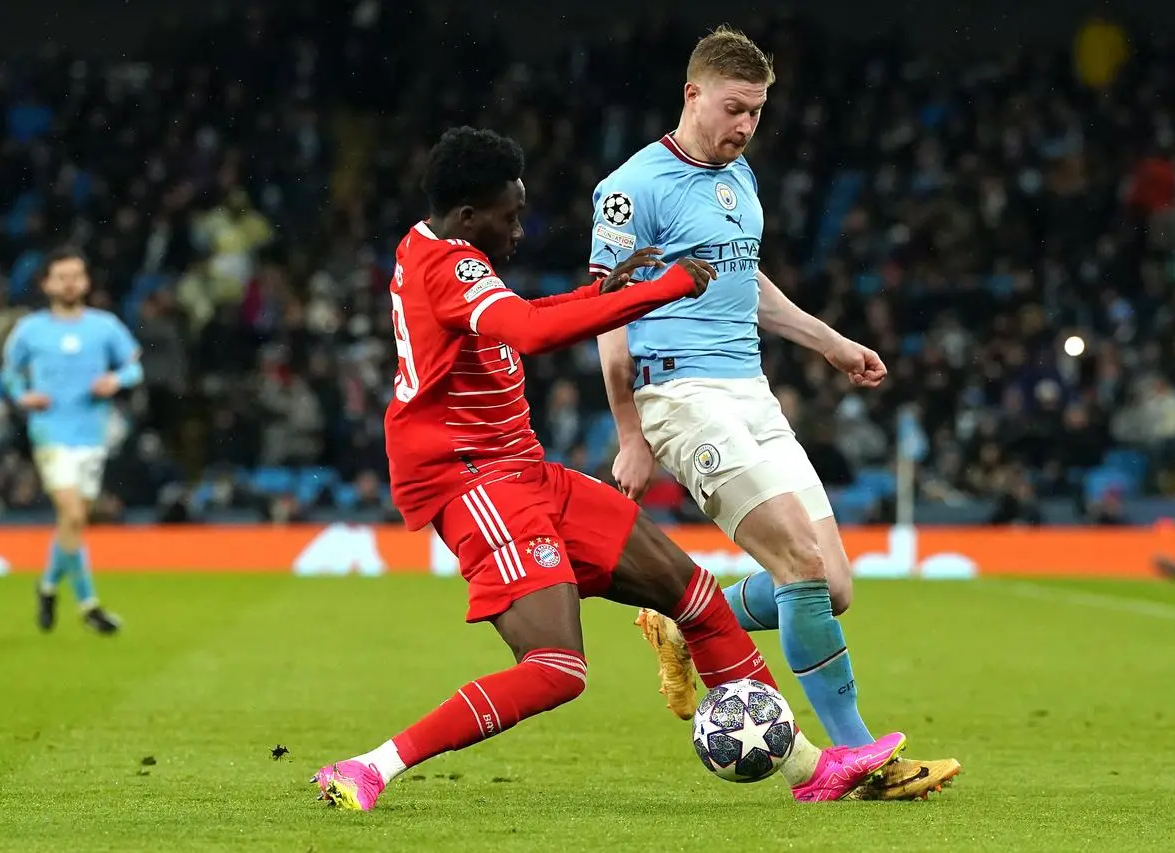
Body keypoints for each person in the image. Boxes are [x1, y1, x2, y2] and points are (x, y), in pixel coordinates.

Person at [312, 127, 909, 810]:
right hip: (474, 483)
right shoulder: (449, 267)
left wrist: (605, 292)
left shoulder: (440, 250)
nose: (520, 225)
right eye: (510, 213)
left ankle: (812, 770)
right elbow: (531, 333)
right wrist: (664, 288)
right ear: (468, 216)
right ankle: (369, 766)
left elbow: (534, 313)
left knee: (699, 601)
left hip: (525, 472)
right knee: (557, 669)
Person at [589, 27, 960, 800]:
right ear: (693, 95)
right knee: (798, 565)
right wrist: (631, 431)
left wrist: (828, 341)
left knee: (835, 585)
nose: (746, 126)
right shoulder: (632, 188)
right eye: (734, 109)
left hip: (750, 391)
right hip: (681, 396)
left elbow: (748, 284)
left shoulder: (741, 177)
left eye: (757, 112)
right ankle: (857, 760)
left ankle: (680, 623)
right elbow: (607, 314)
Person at [1, 246, 144, 635]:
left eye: (76, 276)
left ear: (87, 281)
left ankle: (48, 586)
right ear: (47, 283)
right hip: (50, 431)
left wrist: (116, 380)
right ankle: (89, 604)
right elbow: (10, 373)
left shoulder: (105, 326)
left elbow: (134, 366)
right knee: (75, 515)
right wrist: (22, 395)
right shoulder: (30, 330)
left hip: (91, 434)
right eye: (61, 276)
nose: (70, 283)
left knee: (72, 523)